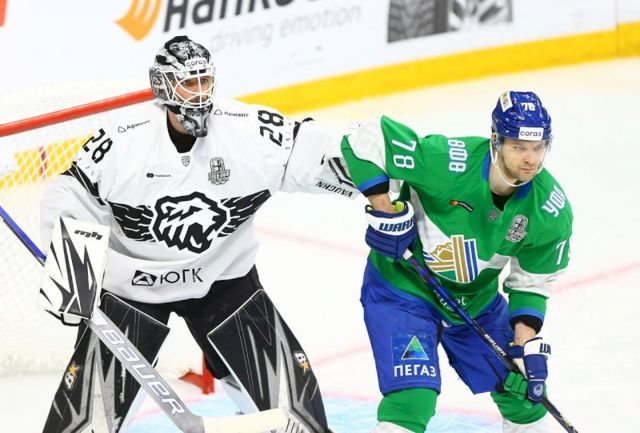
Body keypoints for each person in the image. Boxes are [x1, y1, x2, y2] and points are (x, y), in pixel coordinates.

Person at [39, 35, 354, 433]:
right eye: (189, 83)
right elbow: (69, 193)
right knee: (80, 426)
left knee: (302, 423)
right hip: (134, 291)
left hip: (224, 283)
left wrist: (376, 179)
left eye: (205, 80)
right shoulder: (124, 140)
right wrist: (71, 270)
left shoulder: (246, 129)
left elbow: (311, 151)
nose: (200, 93)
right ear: (163, 86)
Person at [340, 91, 572, 433]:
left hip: (476, 301)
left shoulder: (549, 209)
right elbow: (364, 138)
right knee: (411, 402)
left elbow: (532, 282)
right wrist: (385, 210)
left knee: (523, 393)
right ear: (495, 140)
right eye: (519, 147)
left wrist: (523, 346)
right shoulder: (447, 162)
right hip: (404, 289)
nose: (530, 160)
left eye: (538, 148)